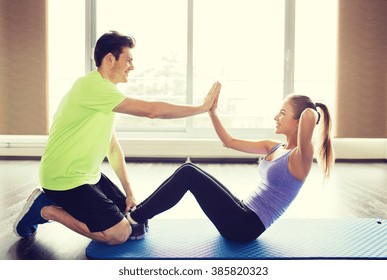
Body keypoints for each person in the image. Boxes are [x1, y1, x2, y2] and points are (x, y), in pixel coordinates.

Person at [13, 31, 220, 245]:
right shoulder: (91, 86)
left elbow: (112, 149)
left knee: (135, 222)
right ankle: (46, 209)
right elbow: (153, 111)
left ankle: (63, 205)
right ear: (110, 59)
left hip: (88, 177)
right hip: (64, 179)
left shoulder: (106, 94)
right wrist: (201, 108)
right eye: (128, 60)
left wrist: (130, 193)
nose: (132, 66)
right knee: (119, 233)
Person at [126, 92, 335, 241]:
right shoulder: (273, 147)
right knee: (190, 170)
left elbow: (309, 116)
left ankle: (135, 217)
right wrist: (212, 112)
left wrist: (313, 110)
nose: (275, 117)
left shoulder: (301, 157)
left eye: (282, 112)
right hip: (243, 211)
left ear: (298, 121)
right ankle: (140, 216)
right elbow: (230, 141)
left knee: (188, 173)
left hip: (246, 227)